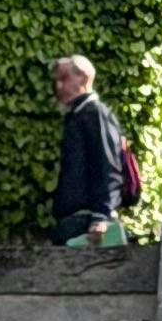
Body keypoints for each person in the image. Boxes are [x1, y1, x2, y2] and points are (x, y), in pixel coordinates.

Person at [50, 53, 128, 244]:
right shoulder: (77, 115)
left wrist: (101, 216)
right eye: (56, 80)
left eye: (64, 78)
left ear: (83, 78)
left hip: (87, 221)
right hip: (74, 219)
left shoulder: (95, 113)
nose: (59, 86)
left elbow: (108, 165)